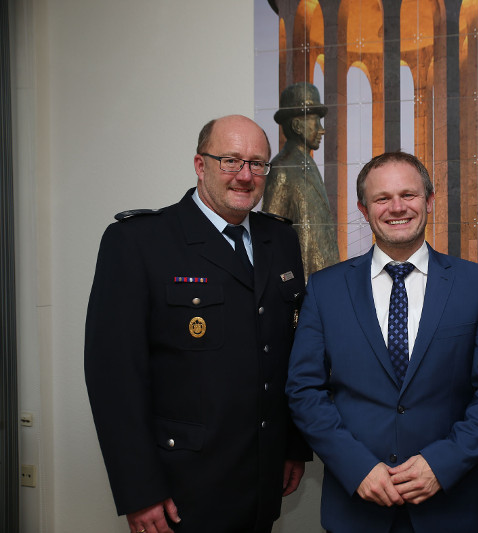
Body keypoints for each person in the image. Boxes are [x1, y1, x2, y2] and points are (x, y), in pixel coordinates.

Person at [85, 115, 311, 533]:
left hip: (263, 476)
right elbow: (114, 378)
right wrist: (139, 490)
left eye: (257, 164)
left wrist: (292, 446)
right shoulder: (138, 242)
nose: (245, 176)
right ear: (199, 164)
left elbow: (290, 354)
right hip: (180, 487)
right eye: (230, 161)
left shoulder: (279, 240)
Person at [286, 151, 478, 532]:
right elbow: (303, 390)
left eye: (408, 195)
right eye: (382, 198)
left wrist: (441, 463)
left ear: (429, 201)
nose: (397, 208)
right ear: (364, 209)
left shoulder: (475, 285)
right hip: (355, 507)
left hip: (447, 506)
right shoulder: (326, 289)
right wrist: (356, 466)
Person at [262, 82, 340, 279]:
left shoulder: (306, 164)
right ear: (297, 125)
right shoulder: (282, 168)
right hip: (303, 286)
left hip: (322, 284)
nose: (322, 130)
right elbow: (272, 236)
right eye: (316, 122)